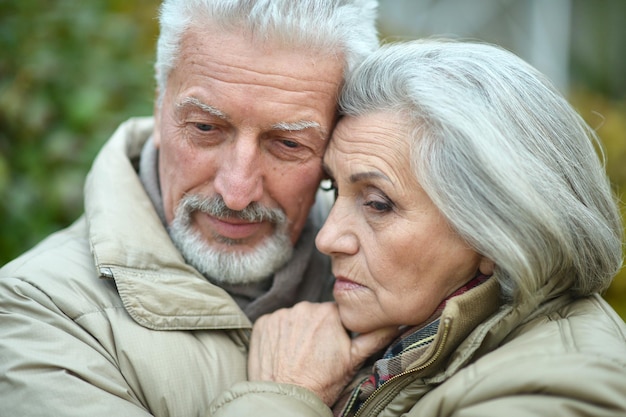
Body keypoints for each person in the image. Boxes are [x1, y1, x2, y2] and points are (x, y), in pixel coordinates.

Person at [208, 39, 626, 416]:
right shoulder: (406, 339)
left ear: (494, 236)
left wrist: (283, 395)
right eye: (333, 189)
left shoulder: (559, 390)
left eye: (377, 204)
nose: (327, 237)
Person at [0, 1, 379, 415]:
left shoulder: (400, 277)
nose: (237, 192)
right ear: (160, 106)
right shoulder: (35, 312)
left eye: (288, 144)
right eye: (205, 128)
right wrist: (288, 396)